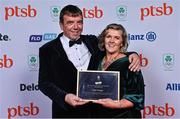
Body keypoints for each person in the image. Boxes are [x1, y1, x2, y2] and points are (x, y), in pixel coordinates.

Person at [38, 5, 141, 118]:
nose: (76, 27)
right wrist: (65, 97)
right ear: (61, 25)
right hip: (66, 112)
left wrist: (132, 54)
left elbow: (112, 48)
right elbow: (44, 83)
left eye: (79, 22)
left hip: (96, 112)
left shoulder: (92, 41)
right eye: (70, 22)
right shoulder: (47, 49)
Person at [90, 23, 145, 118]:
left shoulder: (130, 63)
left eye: (116, 38)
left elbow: (137, 97)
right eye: (108, 36)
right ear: (104, 39)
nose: (112, 41)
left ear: (122, 43)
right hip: (99, 114)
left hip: (123, 115)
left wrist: (116, 104)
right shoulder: (96, 59)